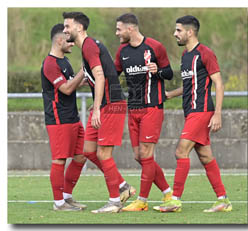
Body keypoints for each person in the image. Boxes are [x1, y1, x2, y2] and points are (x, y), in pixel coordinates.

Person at [62, 12, 136, 214]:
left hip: (111, 105)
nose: (65, 30)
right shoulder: (87, 47)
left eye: (67, 26)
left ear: (79, 28)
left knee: (104, 154)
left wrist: (96, 109)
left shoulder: (88, 46)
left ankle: (114, 202)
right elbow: (97, 77)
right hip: (105, 105)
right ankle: (122, 187)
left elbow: (100, 76)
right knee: (88, 151)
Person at [159, 15, 232, 213]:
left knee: (181, 151)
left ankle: (174, 200)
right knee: (206, 156)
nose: (175, 34)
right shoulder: (185, 56)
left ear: (190, 32)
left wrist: (217, 113)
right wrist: (169, 94)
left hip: (202, 111)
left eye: (178, 30)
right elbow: (187, 85)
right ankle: (223, 200)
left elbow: (219, 83)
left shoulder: (205, 53)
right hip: (191, 111)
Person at [114, 13, 173, 212]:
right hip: (134, 108)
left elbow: (169, 73)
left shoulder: (155, 47)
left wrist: (158, 70)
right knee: (139, 156)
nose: (117, 33)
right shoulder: (122, 51)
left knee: (147, 154)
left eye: (119, 29)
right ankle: (167, 192)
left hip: (152, 107)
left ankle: (142, 201)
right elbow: (113, 75)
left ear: (130, 29)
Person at [41, 23, 88, 211]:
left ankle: (67, 196)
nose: (73, 44)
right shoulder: (50, 64)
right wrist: (83, 71)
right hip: (58, 119)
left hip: (72, 117)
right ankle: (58, 203)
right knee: (60, 160)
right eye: (69, 40)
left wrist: (89, 79)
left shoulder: (64, 62)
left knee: (81, 155)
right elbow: (67, 88)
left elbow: (72, 84)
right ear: (60, 40)